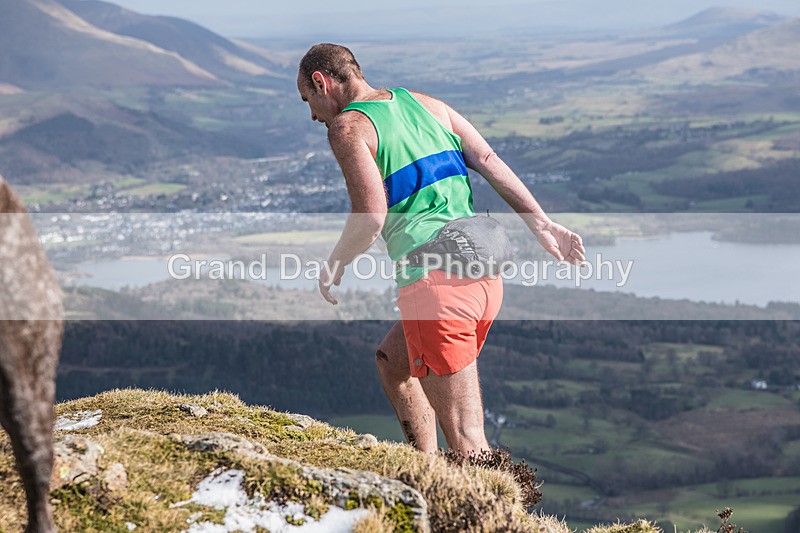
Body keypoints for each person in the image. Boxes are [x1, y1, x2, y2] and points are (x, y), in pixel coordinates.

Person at [297, 43, 585, 457]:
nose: (312, 115)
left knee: (467, 439)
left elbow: (371, 217)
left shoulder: (348, 127)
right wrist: (541, 222)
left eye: (307, 100)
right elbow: (487, 158)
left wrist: (335, 264)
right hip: (483, 277)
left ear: (321, 82)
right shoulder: (424, 104)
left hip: (437, 289)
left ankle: (486, 498)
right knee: (392, 364)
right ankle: (427, 467)